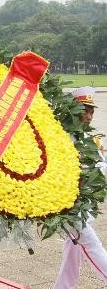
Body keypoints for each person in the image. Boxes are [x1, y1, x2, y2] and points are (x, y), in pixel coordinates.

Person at [53, 86, 107, 288]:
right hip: (70, 206)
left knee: (73, 249)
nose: (89, 115)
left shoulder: (91, 139)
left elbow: (101, 166)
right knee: (93, 246)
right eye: (84, 110)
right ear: (72, 110)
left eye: (91, 111)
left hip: (87, 204)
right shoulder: (62, 139)